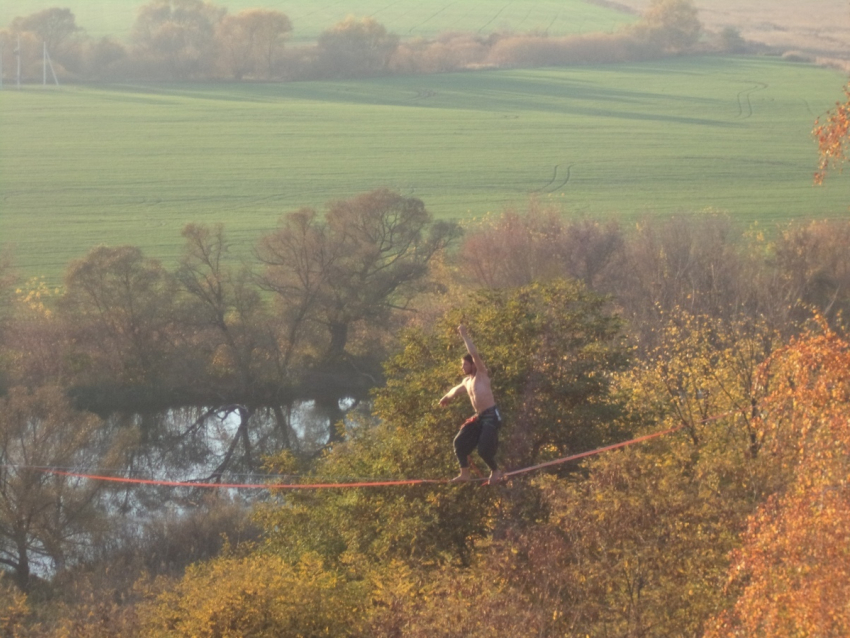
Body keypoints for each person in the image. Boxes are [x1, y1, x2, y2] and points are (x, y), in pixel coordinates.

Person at [439, 324, 504, 485]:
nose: (462, 367)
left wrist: (464, 335)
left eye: (465, 365)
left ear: (473, 365)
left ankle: (495, 471)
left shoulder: (481, 374)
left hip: (491, 416)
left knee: (483, 450)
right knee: (459, 443)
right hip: (480, 417)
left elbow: (474, 354)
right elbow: (455, 390)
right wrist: (446, 398)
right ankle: (465, 473)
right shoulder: (466, 381)